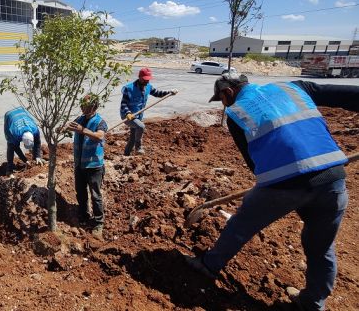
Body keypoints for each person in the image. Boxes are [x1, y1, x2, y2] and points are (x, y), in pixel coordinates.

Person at [185, 74, 359, 311]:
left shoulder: (236, 113)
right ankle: (313, 303)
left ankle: (209, 265)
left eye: (221, 99)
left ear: (227, 93)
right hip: (333, 179)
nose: (223, 105)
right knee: (321, 247)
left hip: (284, 185)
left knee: (241, 225)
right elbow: (344, 95)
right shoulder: (295, 87)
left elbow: (253, 163)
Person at [67, 94, 108, 238]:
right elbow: (69, 126)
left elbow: (99, 136)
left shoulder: (100, 122)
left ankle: (98, 222)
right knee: (80, 191)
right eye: (82, 105)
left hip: (94, 165)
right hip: (79, 164)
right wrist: (60, 128)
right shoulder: (79, 119)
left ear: (94, 106)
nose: (83, 108)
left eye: (86, 105)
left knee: (95, 195)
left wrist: (82, 130)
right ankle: (84, 215)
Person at [120, 67, 177, 155]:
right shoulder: (129, 88)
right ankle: (138, 147)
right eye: (145, 79)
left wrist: (169, 93)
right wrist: (128, 113)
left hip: (138, 116)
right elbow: (124, 104)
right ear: (139, 77)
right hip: (127, 116)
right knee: (141, 127)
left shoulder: (148, 87)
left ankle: (126, 155)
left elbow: (158, 94)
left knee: (132, 138)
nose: (147, 81)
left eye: (148, 80)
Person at [3, 106, 44, 175]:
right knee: (10, 146)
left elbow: (37, 142)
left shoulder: (35, 130)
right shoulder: (14, 133)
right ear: (21, 139)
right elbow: (16, 149)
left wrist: (38, 156)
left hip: (21, 112)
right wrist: (25, 160)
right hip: (10, 116)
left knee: (36, 155)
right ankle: (9, 170)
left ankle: (35, 159)